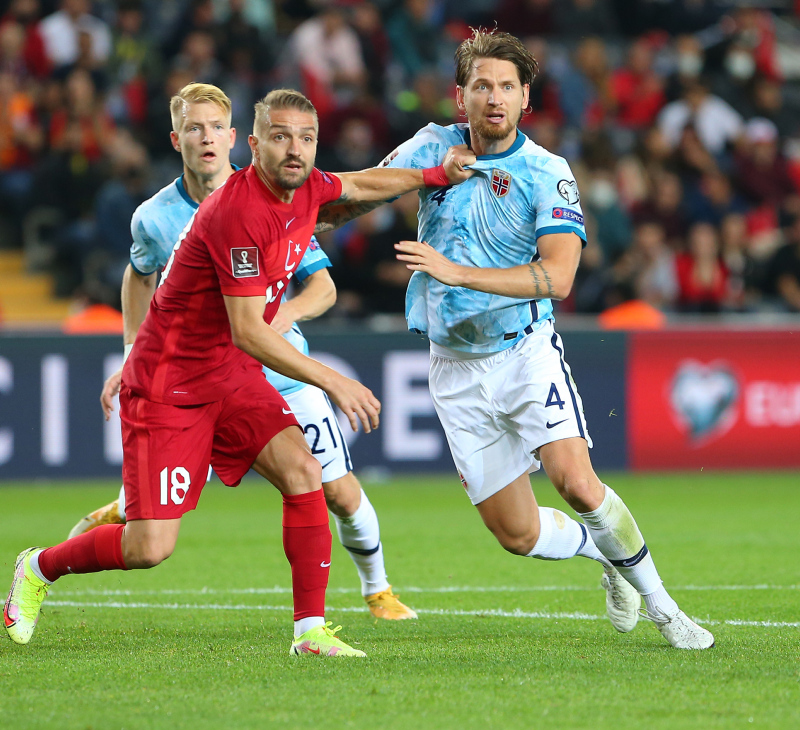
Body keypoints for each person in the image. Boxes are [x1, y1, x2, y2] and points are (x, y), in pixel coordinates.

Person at [4, 87, 474, 655]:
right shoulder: (238, 211)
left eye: (305, 139)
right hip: (169, 384)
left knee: (304, 473)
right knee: (149, 547)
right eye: (280, 137)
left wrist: (431, 176)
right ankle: (39, 569)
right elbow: (250, 329)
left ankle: (310, 632)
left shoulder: (302, 187)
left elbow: (359, 183)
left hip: (228, 374)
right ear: (252, 145)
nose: (294, 150)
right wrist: (334, 378)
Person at [318, 29, 714, 649]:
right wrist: (302, 208)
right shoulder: (433, 148)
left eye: (506, 86)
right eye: (482, 86)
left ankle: (667, 610)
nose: (494, 97)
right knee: (517, 535)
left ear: (526, 97)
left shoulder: (546, 172)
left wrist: (455, 272)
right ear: (461, 97)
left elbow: (557, 278)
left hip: (524, 351)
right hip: (452, 366)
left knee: (577, 483)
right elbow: (355, 195)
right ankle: (606, 557)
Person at [69, 83, 416, 621]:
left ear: (237, 139)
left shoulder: (277, 190)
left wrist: (286, 315)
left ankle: (376, 592)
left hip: (279, 373)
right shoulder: (154, 217)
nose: (206, 138)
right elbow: (138, 278)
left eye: (215, 128)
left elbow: (322, 285)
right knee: (152, 539)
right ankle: (112, 524)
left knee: (337, 491)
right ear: (176, 138)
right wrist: (133, 350)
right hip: (194, 378)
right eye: (193, 128)